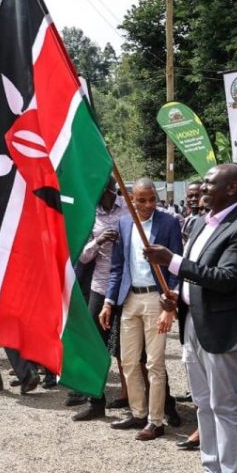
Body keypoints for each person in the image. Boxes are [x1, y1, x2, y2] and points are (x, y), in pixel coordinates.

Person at [145, 163, 237, 473]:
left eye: (210, 184)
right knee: (202, 402)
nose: (201, 189)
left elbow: (226, 278)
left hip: (222, 330)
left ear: (232, 189)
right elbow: (196, 280)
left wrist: (173, 262)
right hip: (193, 323)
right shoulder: (198, 223)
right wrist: (176, 295)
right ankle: (212, 471)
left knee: (226, 407)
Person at [102, 178, 182, 441]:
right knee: (128, 360)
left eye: (152, 200)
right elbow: (117, 268)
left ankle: (155, 421)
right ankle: (137, 412)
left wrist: (170, 304)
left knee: (154, 364)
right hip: (130, 300)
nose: (148, 205)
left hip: (156, 300)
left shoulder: (169, 223)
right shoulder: (124, 223)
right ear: (131, 200)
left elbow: (176, 267)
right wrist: (108, 302)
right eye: (142, 200)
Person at [69, 180, 124, 417]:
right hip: (100, 287)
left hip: (127, 287)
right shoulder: (91, 215)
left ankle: (139, 399)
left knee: (127, 348)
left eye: (105, 189)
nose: (102, 195)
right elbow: (82, 256)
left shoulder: (128, 208)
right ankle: (95, 401)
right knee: (95, 343)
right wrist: (98, 241)